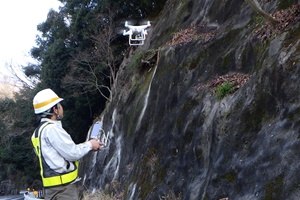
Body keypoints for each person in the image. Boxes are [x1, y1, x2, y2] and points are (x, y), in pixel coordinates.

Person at [31, 88, 103, 200]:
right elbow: (72, 153)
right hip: (63, 190)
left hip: (50, 190)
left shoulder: (37, 133)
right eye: (59, 105)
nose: (61, 108)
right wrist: (90, 144)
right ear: (55, 109)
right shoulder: (52, 129)